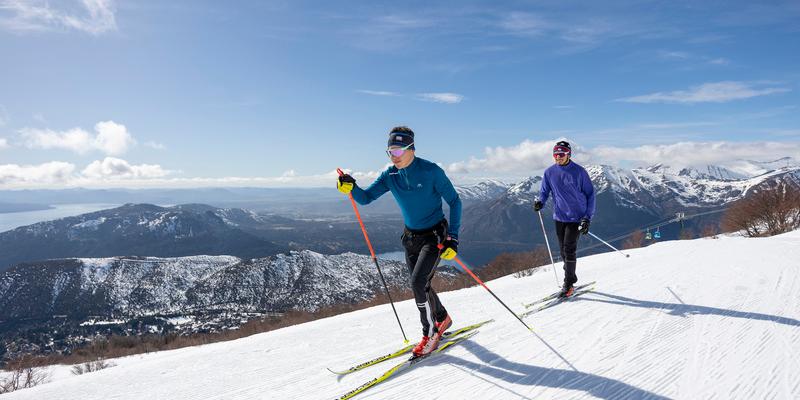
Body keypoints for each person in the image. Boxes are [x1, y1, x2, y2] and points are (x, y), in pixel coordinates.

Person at [337, 126, 462, 356]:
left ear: (410, 149)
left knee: (417, 283)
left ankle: (430, 332)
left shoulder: (431, 171)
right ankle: (442, 318)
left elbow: (455, 202)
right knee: (421, 284)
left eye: (396, 151)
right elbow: (365, 198)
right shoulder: (390, 175)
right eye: (389, 152)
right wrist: (350, 187)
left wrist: (453, 238)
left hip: (435, 234)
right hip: (411, 237)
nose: (392, 157)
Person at [534, 140, 596, 297]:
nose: (558, 157)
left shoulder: (579, 172)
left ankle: (568, 284)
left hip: (577, 218)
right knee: (563, 251)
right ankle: (571, 275)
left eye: (561, 154)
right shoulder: (549, 172)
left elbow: (590, 194)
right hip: (559, 217)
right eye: (555, 154)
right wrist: (540, 202)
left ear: (568, 154)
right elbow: (544, 191)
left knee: (569, 249)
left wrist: (587, 218)